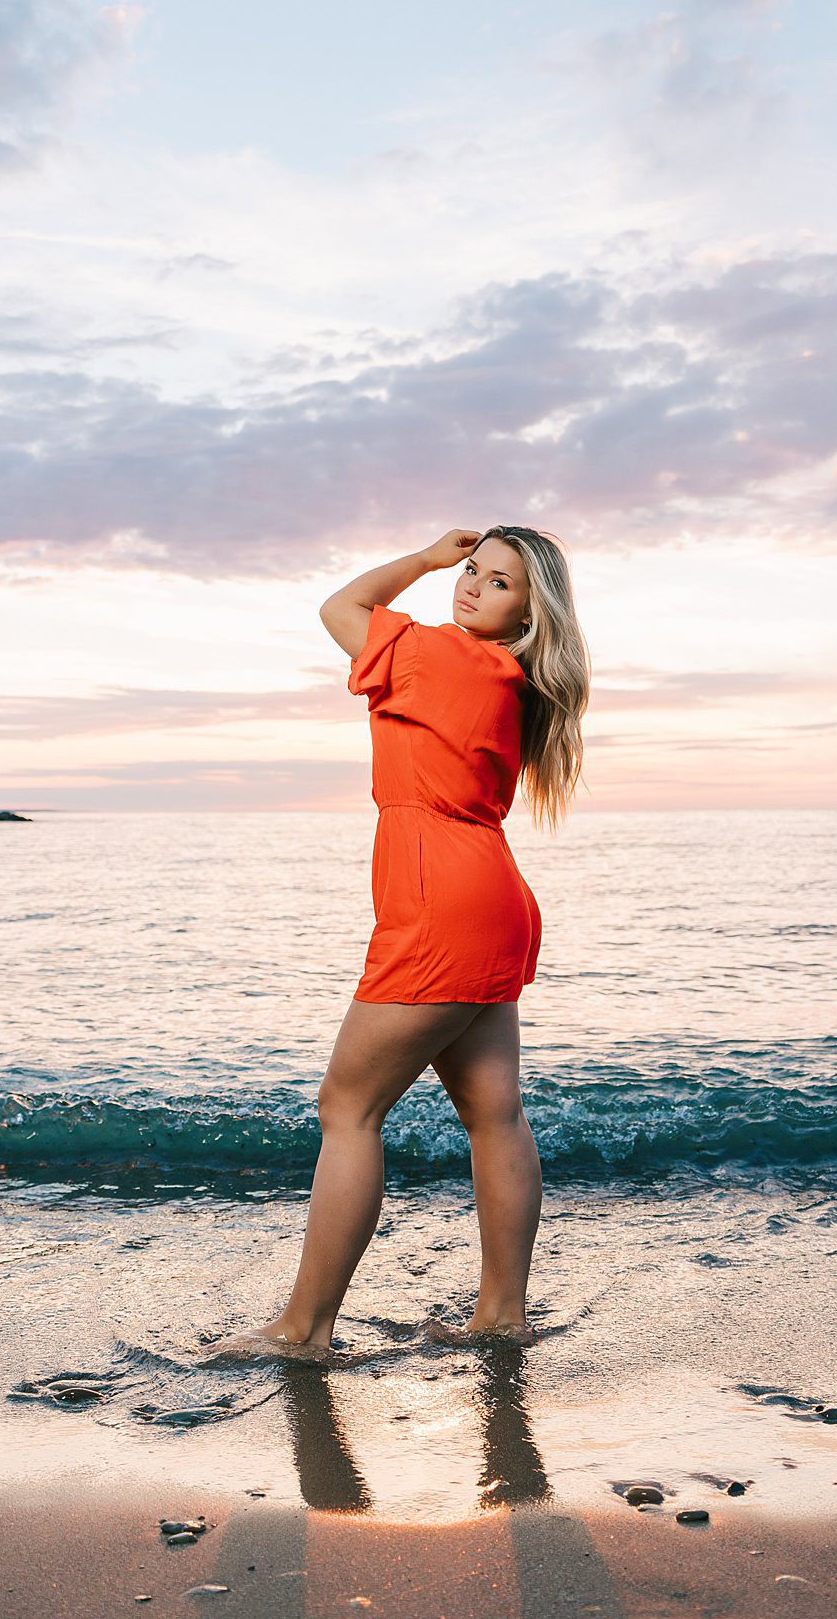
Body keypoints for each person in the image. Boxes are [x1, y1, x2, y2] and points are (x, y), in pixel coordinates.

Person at [200, 524, 589, 1363]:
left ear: (530, 610)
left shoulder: (441, 657)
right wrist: (449, 569)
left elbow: (341, 606)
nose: (472, 587)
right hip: (492, 893)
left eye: (498, 583)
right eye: (473, 572)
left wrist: (423, 560)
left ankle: (302, 1331)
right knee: (494, 1115)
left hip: (441, 901)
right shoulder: (507, 677)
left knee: (348, 1110)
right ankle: (501, 1314)